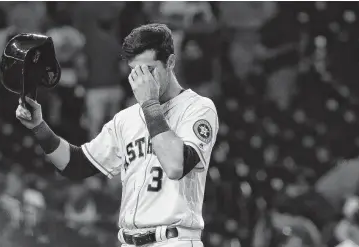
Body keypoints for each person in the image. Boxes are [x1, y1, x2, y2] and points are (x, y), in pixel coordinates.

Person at [15, 23, 219, 247]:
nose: (142, 79)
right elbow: (76, 164)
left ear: (170, 62)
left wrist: (149, 104)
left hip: (174, 240)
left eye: (149, 70)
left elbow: (175, 165)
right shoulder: (126, 119)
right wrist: (39, 127)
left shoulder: (198, 108)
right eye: (135, 71)